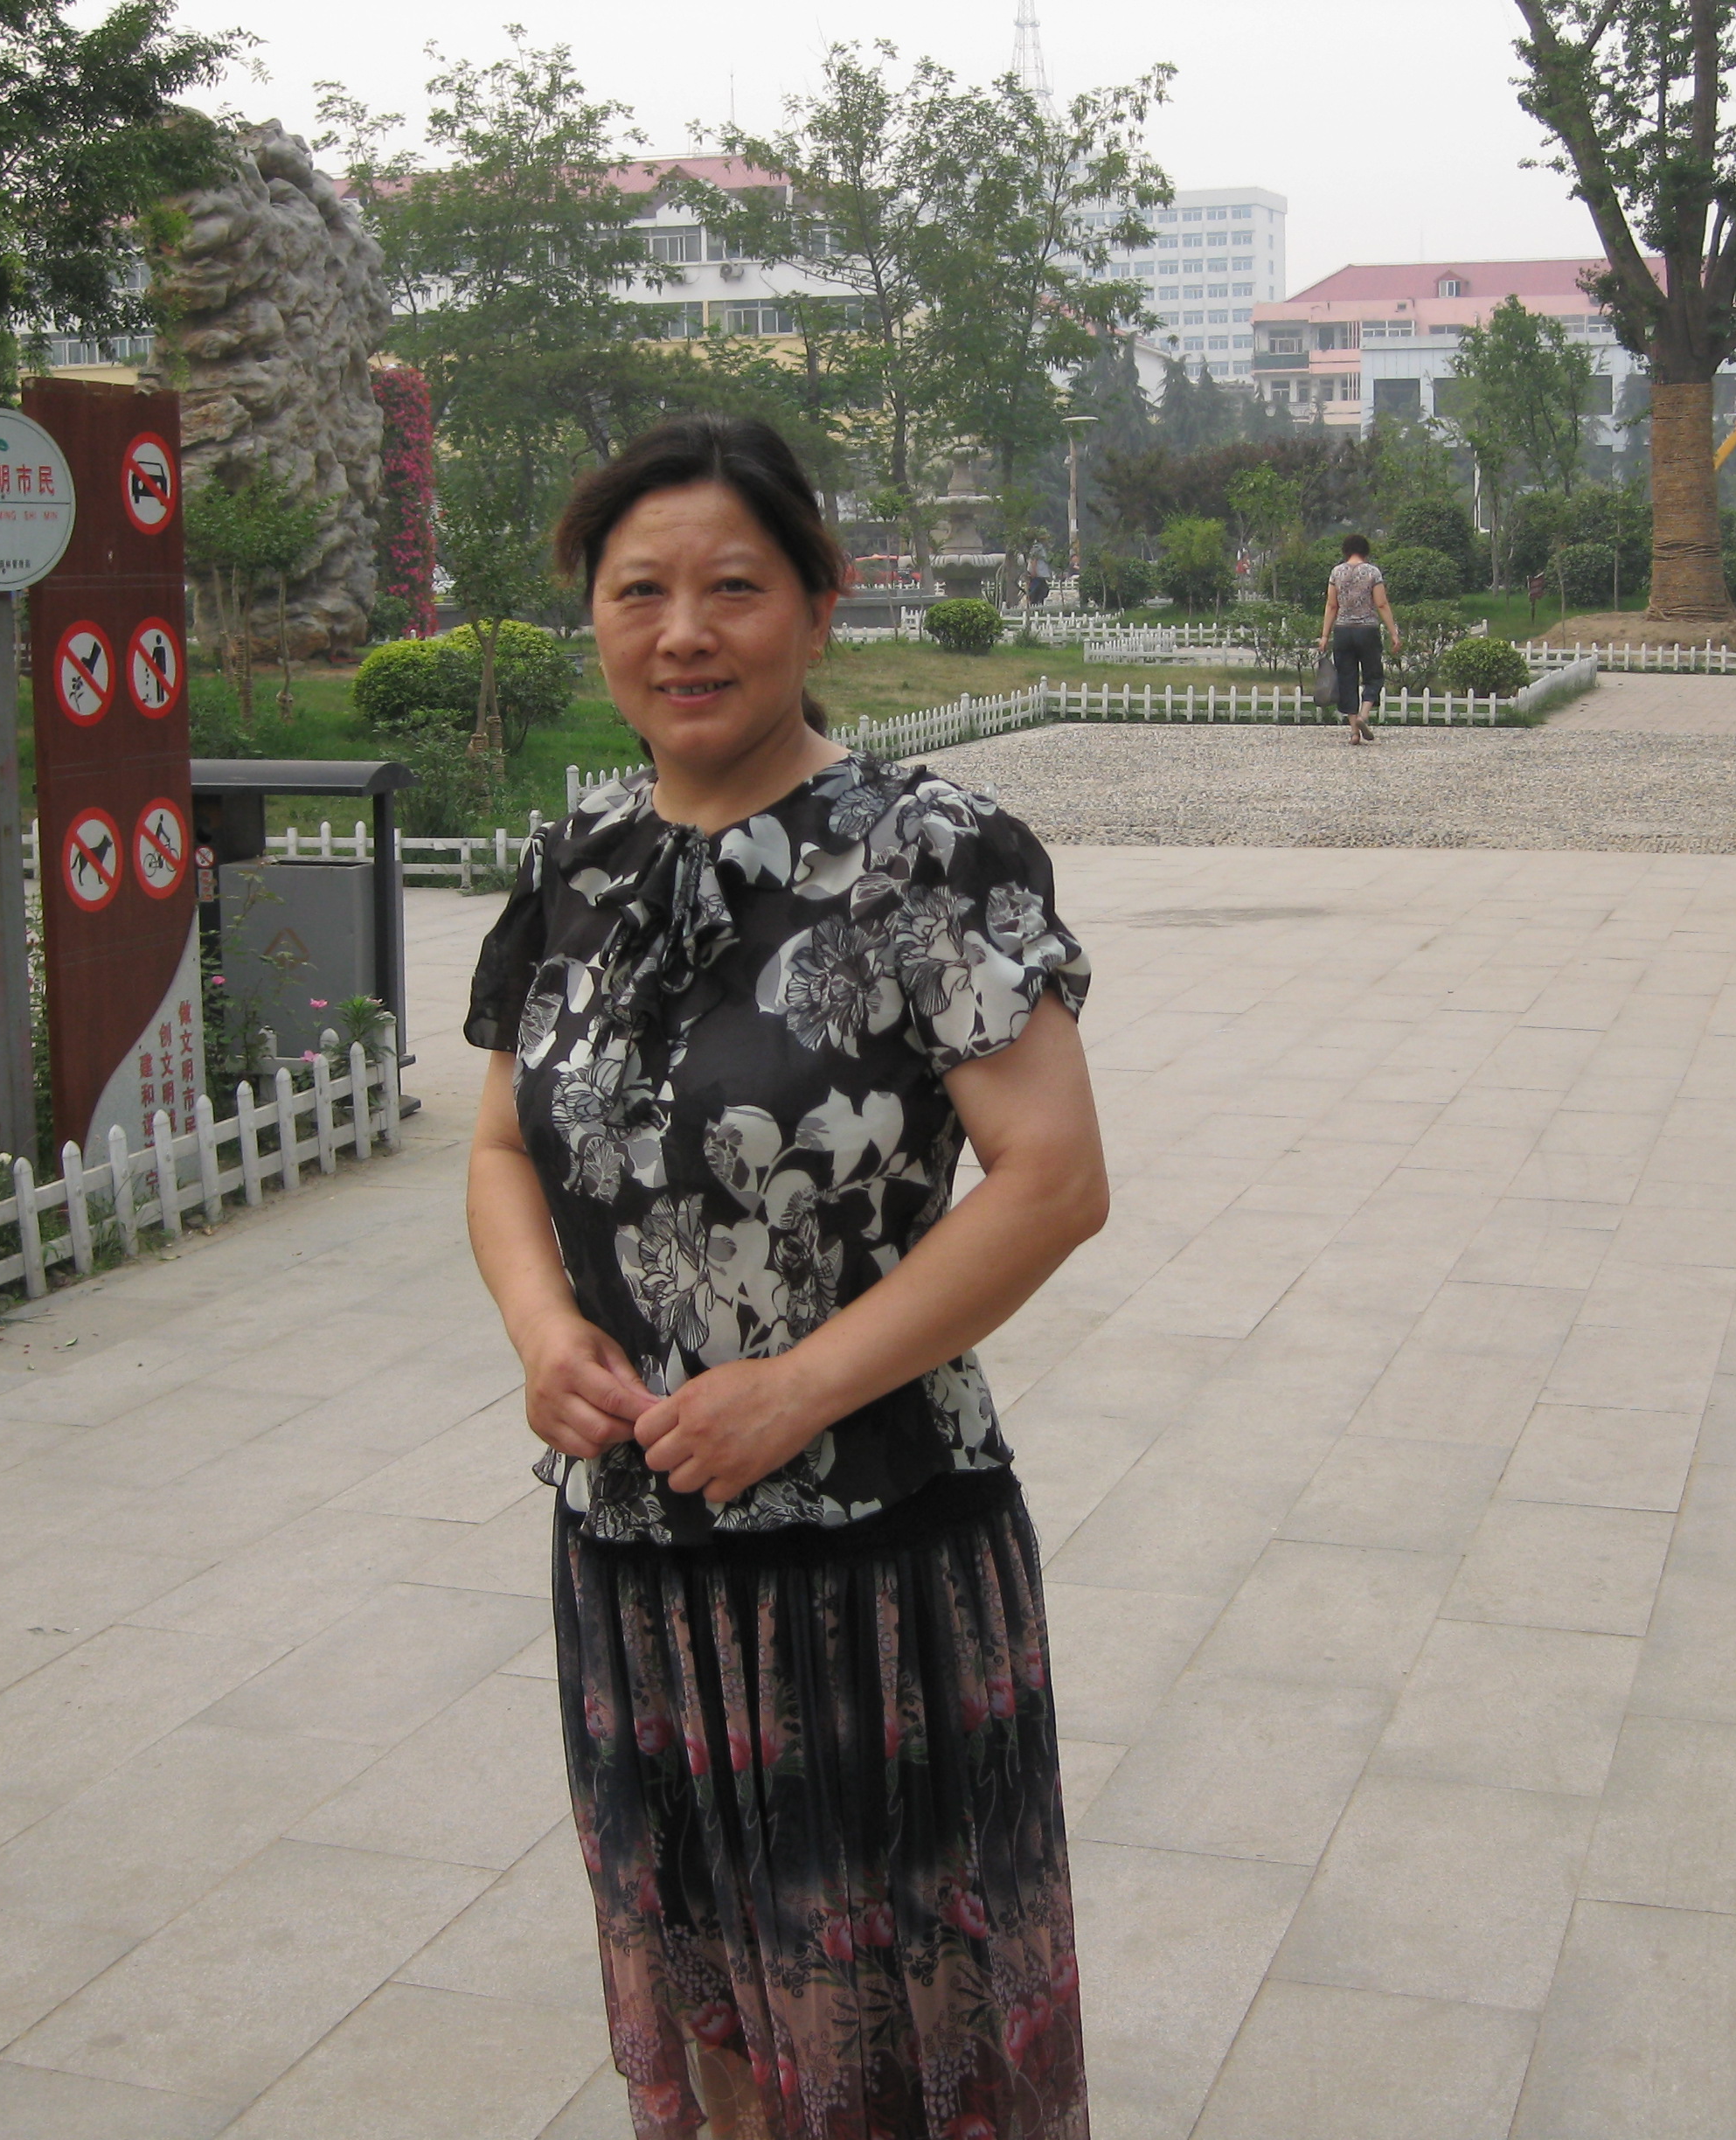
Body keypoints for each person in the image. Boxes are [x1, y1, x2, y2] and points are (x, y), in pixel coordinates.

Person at [462, 413, 1109, 2140]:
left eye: (733, 588)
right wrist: (541, 1329)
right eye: (639, 591)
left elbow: (1053, 1180)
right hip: (631, 1551)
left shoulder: (929, 851)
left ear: (820, 605)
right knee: (716, 2019)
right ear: (594, 619)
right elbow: (503, 1146)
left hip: (870, 1563)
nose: (684, 632)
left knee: (893, 2029)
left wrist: (797, 1390)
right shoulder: (574, 868)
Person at [1316, 532, 1401, 745]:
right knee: (1374, 676)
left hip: (1343, 631)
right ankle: (1364, 715)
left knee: (1347, 679)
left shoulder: (1336, 572)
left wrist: (1324, 635)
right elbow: (1381, 604)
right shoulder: (1373, 572)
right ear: (1365, 550)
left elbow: (1332, 605)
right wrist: (1393, 633)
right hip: (1367, 630)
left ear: (1345, 550)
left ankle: (1354, 732)